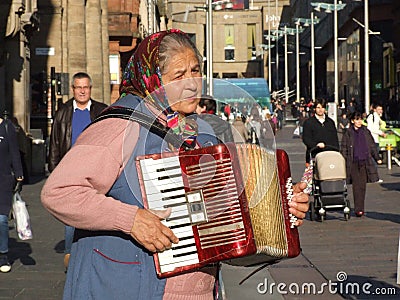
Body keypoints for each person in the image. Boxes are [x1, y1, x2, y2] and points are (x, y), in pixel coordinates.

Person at [41, 29, 309, 300]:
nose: (192, 83)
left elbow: (224, 224)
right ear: (153, 80)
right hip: (129, 287)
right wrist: (130, 220)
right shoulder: (121, 126)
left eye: (195, 71)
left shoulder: (201, 135)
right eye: (179, 76)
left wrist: (279, 211)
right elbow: (59, 192)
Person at [47, 72, 108, 269]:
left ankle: (94, 256)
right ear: (73, 89)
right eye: (78, 87)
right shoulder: (63, 112)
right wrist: (54, 172)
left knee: (95, 214)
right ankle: (70, 257)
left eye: (85, 87)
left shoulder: (101, 111)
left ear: (90, 89)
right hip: (70, 173)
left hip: (97, 172)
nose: (82, 91)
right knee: (72, 217)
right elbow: (55, 144)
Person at [340, 112, 382, 217]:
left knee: (362, 186)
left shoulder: (366, 131)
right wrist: (343, 161)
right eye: (357, 119)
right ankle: (358, 209)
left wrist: (377, 158)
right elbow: (344, 148)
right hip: (353, 162)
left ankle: (361, 208)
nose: (359, 122)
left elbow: (372, 145)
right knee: (356, 186)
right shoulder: (348, 133)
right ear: (352, 121)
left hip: (365, 162)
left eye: (360, 119)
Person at [0, 112, 24, 272]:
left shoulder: (7, 127)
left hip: (3, 180)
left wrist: (19, 173)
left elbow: (15, 152)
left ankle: (3, 254)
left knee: (1, 219)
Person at [302, 98, 339, 165]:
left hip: (329, 155)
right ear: (314, 109)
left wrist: (337, 152)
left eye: (322, 107)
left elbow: (335, 139)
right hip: (314, 155)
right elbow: (306, 139)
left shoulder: (330, 122)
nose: (320, 110)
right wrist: (316, 145)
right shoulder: (309, 122)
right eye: (318, 107)